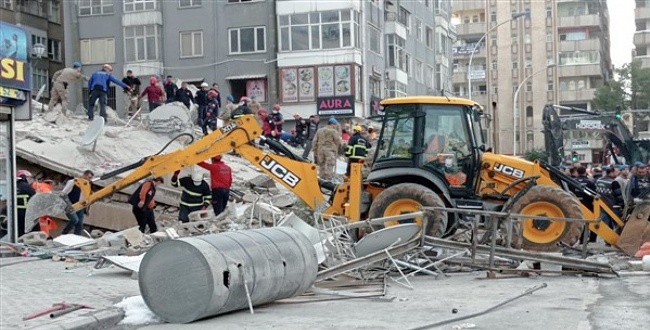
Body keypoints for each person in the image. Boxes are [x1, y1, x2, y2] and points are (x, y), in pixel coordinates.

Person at [61, 170, 94, 236]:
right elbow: (63, 194)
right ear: (84, 175)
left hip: (80, 206)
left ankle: (77, 239)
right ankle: (64, 233)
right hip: (70, 205)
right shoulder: (73, 182)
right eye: (89, 178)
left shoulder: (87, 186)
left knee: (79, 224)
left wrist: (86, 210)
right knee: (74, 220)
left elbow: (86, 198)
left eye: (91, 178)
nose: (89, 180)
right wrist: (68, 205)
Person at [595, 167, 625, 232]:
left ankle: (607, 241)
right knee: (618, 225)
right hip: (613, 208)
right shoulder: (614, 182)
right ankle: (616, 239)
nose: (617, 174)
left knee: (606, 226)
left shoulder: (598, 180)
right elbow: (619, 196)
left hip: (602, 207)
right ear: (611, 172)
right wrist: (622, 206)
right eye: (616, 172)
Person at [16, 170, 36, 237]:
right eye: (29, 177)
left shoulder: (12, 186)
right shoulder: (27, 186)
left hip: (13, 213)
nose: (30, 179)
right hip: (25, 213)